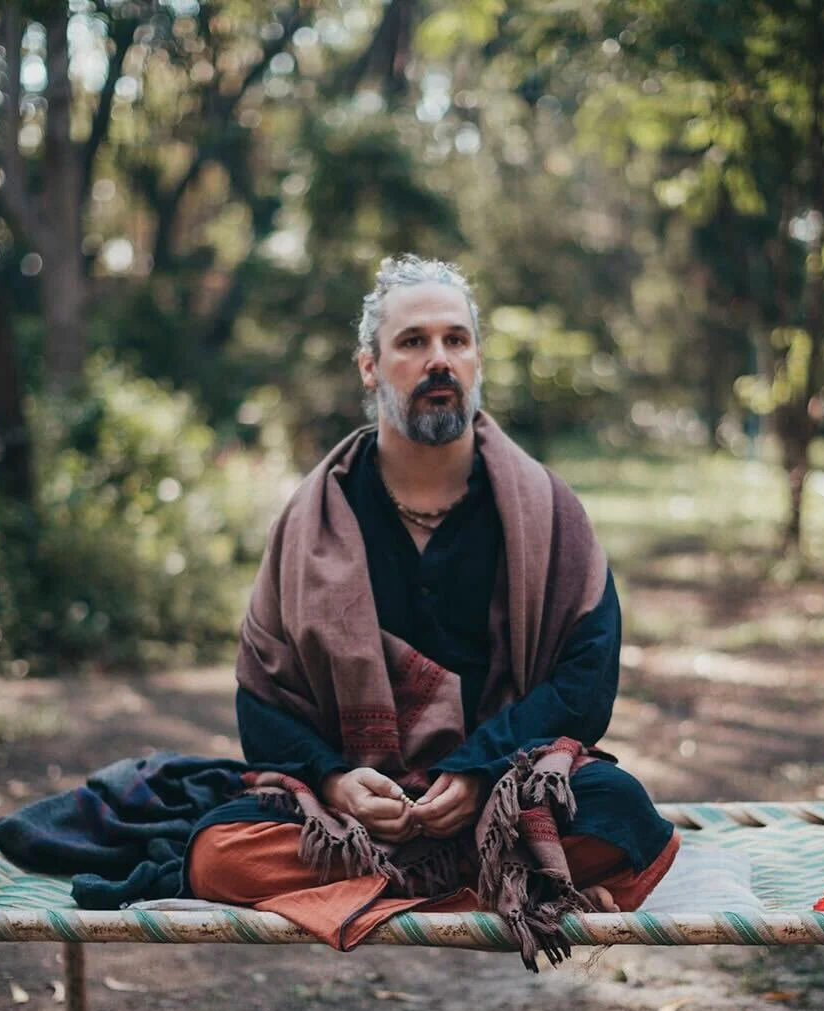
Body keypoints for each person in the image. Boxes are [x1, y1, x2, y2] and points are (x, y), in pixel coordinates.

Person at [184, 255, 679, 966]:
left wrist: (481, 775)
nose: (438, 359)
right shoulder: (311, 519)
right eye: (412, 342)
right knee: (218, 853)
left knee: (621, 812)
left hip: (502, 798)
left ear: (478, 361)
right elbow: (260, 698)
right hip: (360, 813)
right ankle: (504, 889)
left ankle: (398, 889)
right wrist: (332, 779)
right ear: (370, 367)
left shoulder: (547, 509)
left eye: (456, 340)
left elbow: (586, 679)